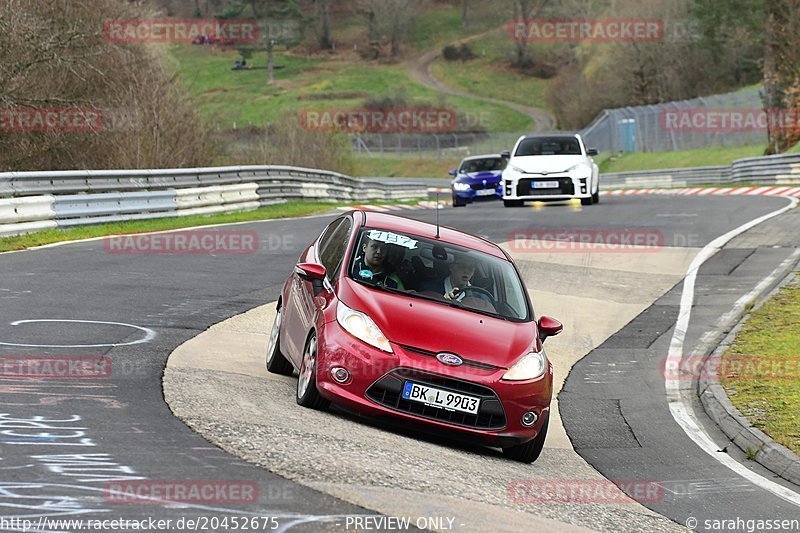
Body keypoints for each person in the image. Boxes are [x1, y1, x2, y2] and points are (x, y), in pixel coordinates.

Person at [420, 253, 490, 303]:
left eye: (471, 268)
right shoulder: (429, 289)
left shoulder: (482, 298)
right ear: (451, 267)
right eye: (462, 266)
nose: (466, 271)